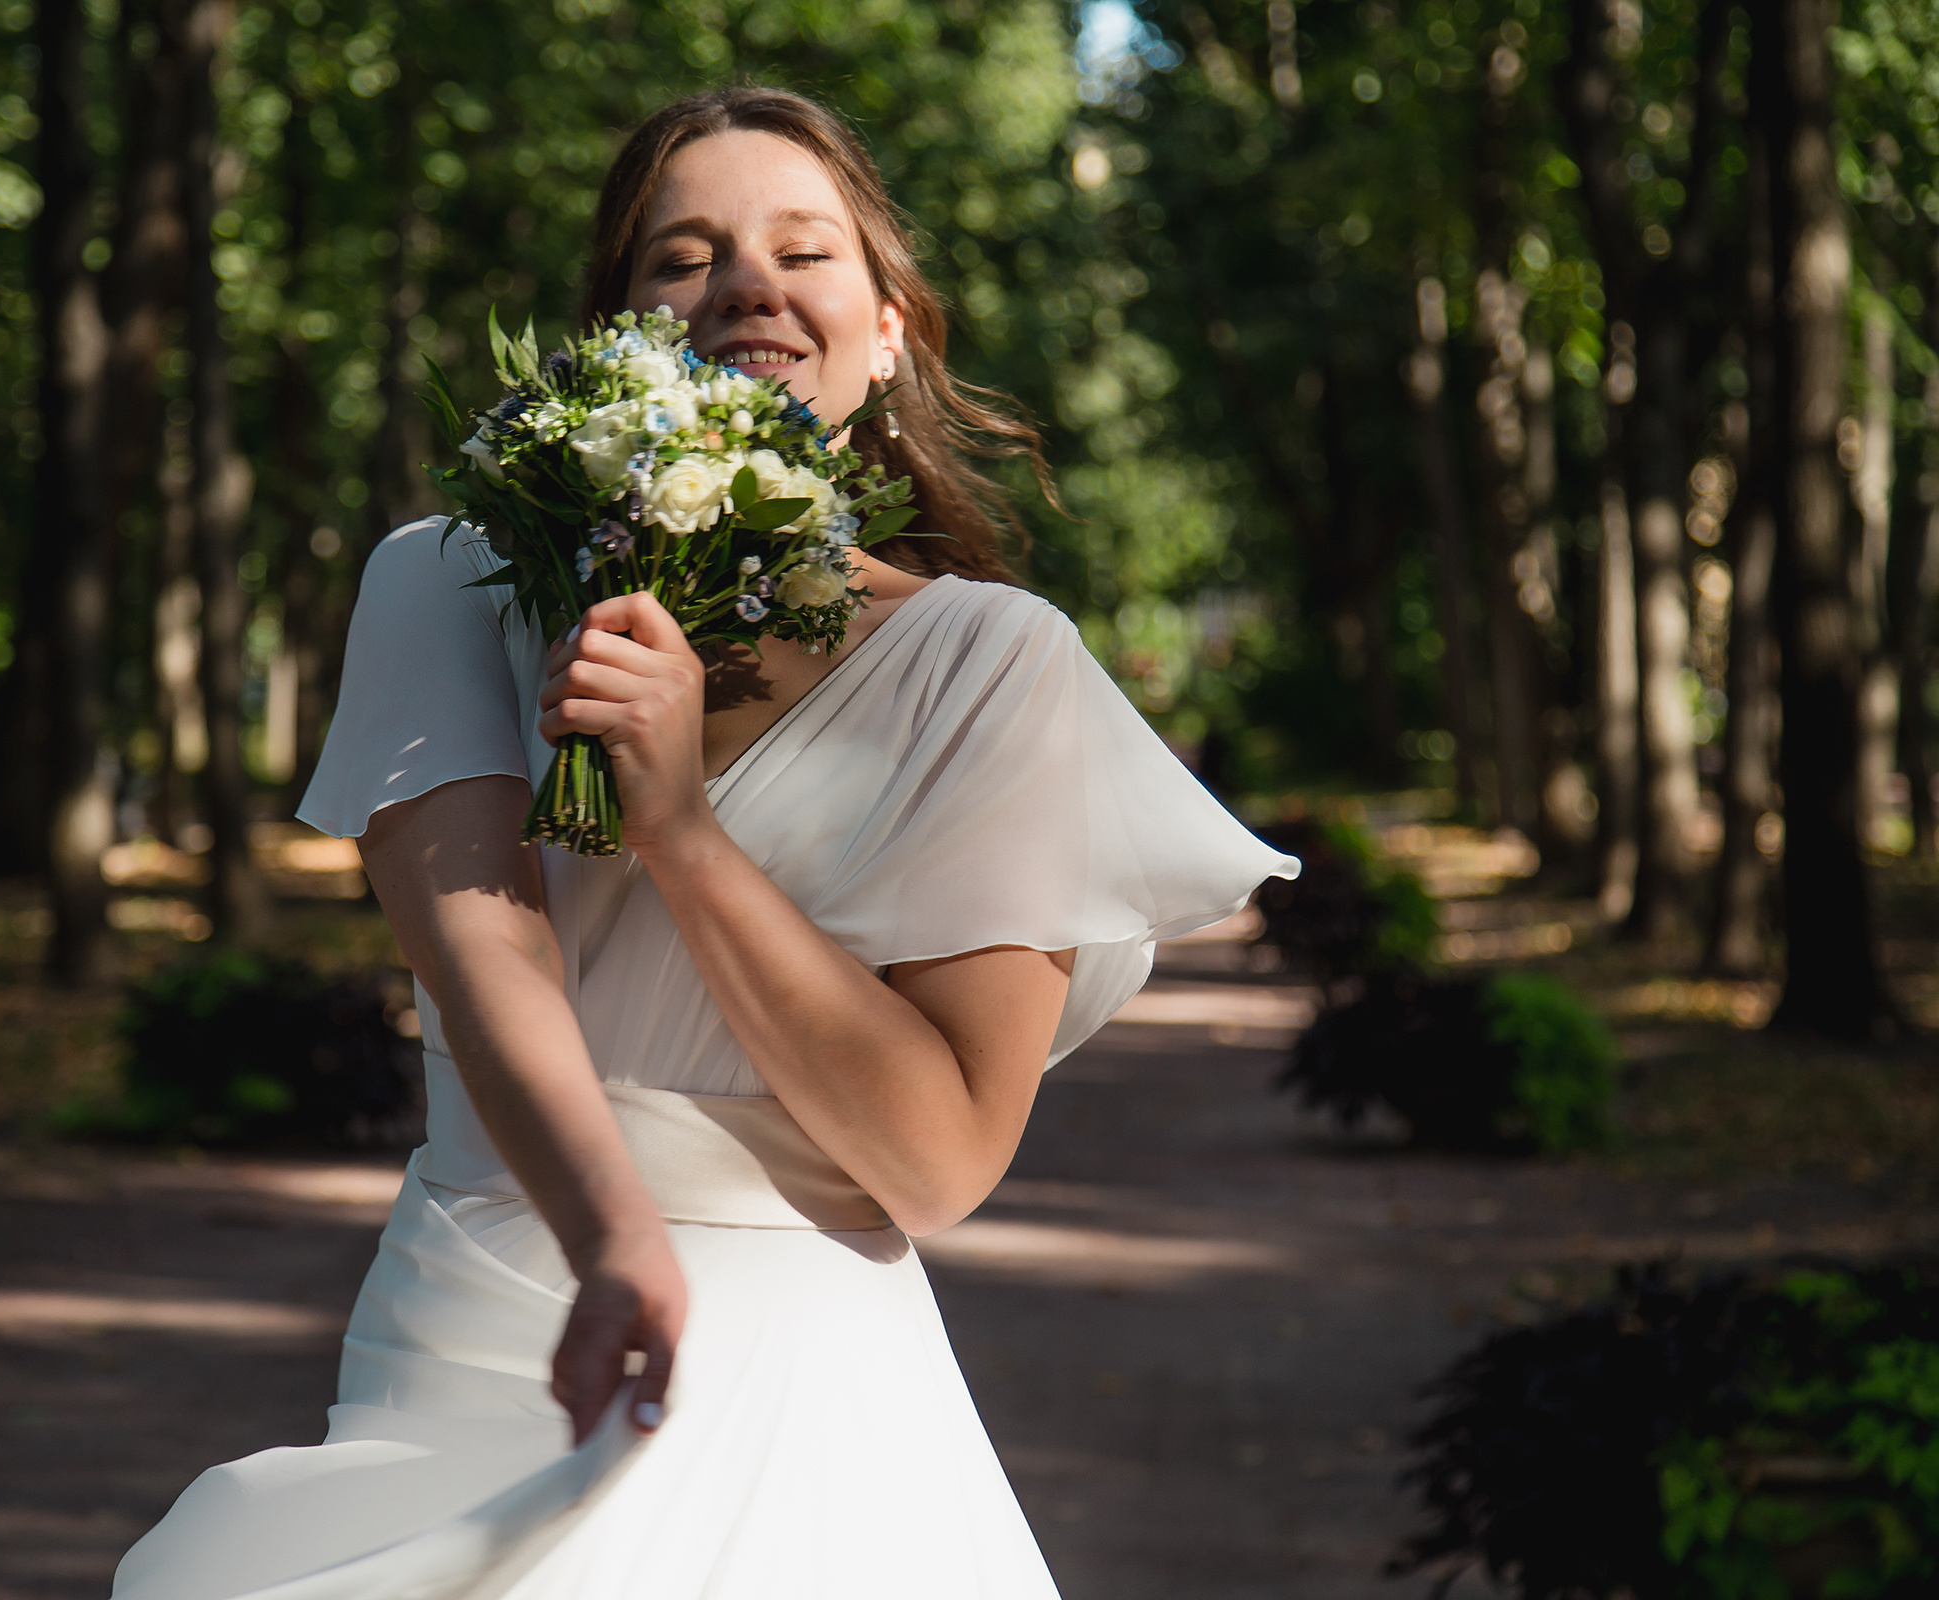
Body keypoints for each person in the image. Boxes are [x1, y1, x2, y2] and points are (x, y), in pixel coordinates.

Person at [113, 85, 1296, 1600]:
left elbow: (937, 1161)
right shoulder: (442, 584)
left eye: (805, 252)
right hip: (505, 1313)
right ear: (613, 338)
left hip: (816, 1383)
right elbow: (482, 950)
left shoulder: (989, 665)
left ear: (888, 333)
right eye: (683, 258)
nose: (748, 282)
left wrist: (675, 825)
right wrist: (612, 1239)